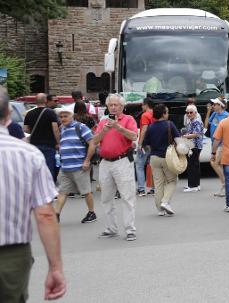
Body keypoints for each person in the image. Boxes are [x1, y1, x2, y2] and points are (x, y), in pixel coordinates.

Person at [0, 86, 66, 301]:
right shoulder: (27, 155)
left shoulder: (30, 116)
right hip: (10, 254)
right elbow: (45, 214)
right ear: (9, 114)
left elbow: (27, 127)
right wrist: (55, 267)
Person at [90, 94, 139, 241]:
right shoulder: (103, 122)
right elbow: (94, 141)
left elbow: (133, 136)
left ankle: (130, 229)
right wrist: (104, 130)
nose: (112, 107)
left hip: (122, 160)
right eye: (110, 105)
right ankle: (111, 228)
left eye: (115, 105)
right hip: (105, 162)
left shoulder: (128, 119)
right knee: (106, 197)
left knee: (127, 196)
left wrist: (118, 127)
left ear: (122, 107)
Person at [54, 106, 97, 224]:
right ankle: (56, 214)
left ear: (72, 116)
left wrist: (87, 161)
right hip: (65, 167)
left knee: (86, 191)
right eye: (61, 116)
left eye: (65, 116)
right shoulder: (62, 129)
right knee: (62, 191)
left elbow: (92, 143)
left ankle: (91, 212)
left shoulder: (80, 127)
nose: (63, 118)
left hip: (79, 166)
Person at [142, 104, 180, 216]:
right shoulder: (169, 124)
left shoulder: (151, 127)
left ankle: (160, 210)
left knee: (158, 184)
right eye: (167, 112)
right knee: (172, 181)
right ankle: (165, 202)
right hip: (167, 157)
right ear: (163, 114)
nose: (168, 114)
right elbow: (178, 139)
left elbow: (146, 144)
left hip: (154, 158)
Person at [23, 93, 61, 182]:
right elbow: (55, 129)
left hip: (34, 145)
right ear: (46, 101)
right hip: (49, 144)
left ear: (35, 101)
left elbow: (26, 130)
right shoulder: (50, 113)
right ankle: (48, 189)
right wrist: (58, 142)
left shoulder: (29, 114)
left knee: (36, 168)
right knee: (49, 167)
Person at [205, 98, 229, 196]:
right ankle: (225, 188)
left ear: (220, 105)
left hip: (222, 144)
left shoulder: (226, 116)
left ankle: (225, 185)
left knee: (214, 163)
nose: (213, 106)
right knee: (220, 164)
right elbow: (206, 125)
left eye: (215, 104)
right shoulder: (215, 114)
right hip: (214, 143)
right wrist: (208, 112)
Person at [136, 97, 155, 196]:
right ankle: (153, 188)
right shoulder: (156, 113)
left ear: (146, 105)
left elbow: (144, 129)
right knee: (152, 165)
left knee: (139, 165)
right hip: (154, 143)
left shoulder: (145, 115)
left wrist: (139, 144)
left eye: (142, 105)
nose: (142, 106)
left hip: (145, 144)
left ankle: (141, 189)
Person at [182, 104, 204, 192]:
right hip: (194, 146)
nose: (189, 114)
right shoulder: (192, 121)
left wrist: (185, 136)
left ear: (195, 113)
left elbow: (196, 134)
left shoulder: (196, 121)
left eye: (191, 112)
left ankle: (192, 186)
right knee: (194, 165)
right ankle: (196, 185)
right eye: (187, 112)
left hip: (194, 146)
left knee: (192, 166)